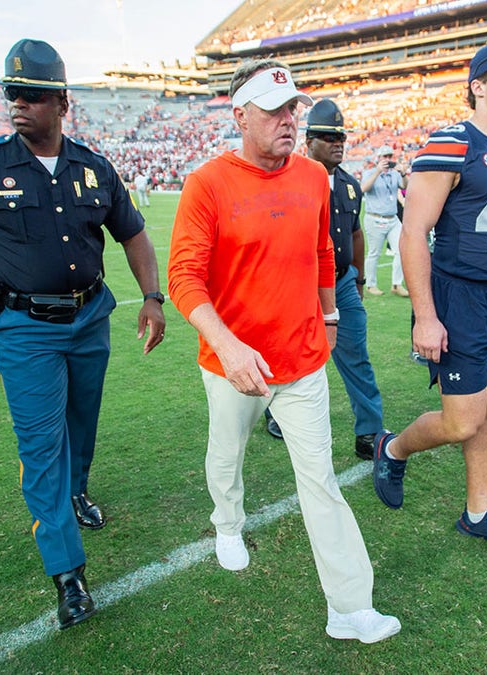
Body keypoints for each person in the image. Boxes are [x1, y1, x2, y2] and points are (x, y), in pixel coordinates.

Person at [0, 39, 167, 629]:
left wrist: (152, 297)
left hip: (90, 316)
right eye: (12, 94)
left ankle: (78, 491)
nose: (19, 105)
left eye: (33, 96)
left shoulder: (94, 167)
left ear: (62, 103)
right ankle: (68, 573)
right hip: (23, 327)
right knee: (41, 445)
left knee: (81, 421)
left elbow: (134, 235)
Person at [167, 59, 400, 643]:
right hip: (231, 363)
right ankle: (228, 523)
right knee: (227, 455)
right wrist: (228, 345)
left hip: (301, 361)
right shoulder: (207, 183)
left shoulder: (313, 177)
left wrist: (329, 313)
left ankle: (349, 608)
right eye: (273, 110)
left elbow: (323, 251)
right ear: (240, 115)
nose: (288, 119)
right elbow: (184, 278)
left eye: (292, 108)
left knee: (320, 480)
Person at [370, 37, 487, 558]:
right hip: (460, 297)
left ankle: (477, 514)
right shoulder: (451, 142)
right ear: (478, 86)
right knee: (461, 421)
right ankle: (392, 447)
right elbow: (414, 231)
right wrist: (425, 316)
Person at [300, 97, 387, 460]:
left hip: (341, 283)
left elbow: (354, 234)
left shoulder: (350, 185)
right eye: (326, 136)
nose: (337, 143)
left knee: (356, 356)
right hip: (300, 287)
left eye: (341, 137)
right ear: (308, 142)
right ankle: (274, 411)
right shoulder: (290, 182)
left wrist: (361, 279)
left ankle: (369, 431)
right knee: (292, 356)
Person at [361, 145, 408, 297]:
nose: (388, 160)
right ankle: (370, 285)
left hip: (392, 219)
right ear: (378, 159)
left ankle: (396, 284)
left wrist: (403, 173)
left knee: (402, 249)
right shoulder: (369, 173)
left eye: (390, 157)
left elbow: (405, 187)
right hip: (375, 218)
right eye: (384, 157)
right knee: (374, 253)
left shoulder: (394, 174)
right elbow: (363, 189)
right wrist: (377, 172)